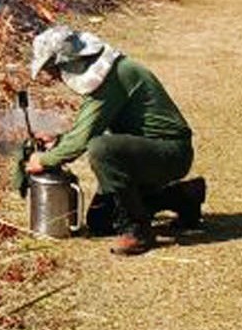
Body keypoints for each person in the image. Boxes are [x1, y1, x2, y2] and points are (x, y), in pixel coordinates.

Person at [23, 25, 203, 256]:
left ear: (69, 61)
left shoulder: (113, 77)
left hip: (170, 153)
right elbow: (87, 126)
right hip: (150, 152)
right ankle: (184, 197)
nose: (53, 76)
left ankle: (138, 230)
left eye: (53, 70)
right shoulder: (109, 74)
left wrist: (45, 160)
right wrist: (60, 141)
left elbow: (84, 140)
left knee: (102, 148)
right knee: (101, 221)